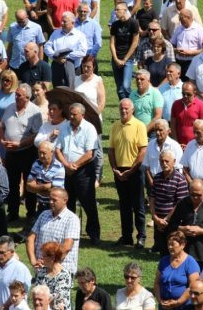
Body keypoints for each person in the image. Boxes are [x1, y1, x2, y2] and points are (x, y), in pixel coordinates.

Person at [55, 103, 100, 243]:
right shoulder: (64, 127)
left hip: (84, 171)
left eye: (74, 114)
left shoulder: (89, 129)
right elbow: (57, 150)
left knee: (88, 202)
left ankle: (94, 234)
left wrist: (74, 165)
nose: (71, 117)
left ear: (83, 115)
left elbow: (90, 153)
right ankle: (70, 232)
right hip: (68, 171)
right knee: (68, 203)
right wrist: (66, 165)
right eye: (70, 114)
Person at [0, 83, 42, 223]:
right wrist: (2, 140)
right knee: (12, 182)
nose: (15, 97)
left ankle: (31, 213)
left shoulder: (35, 112)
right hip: (11, 153)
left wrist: (19, 144)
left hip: (27, 152)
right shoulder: (10, 107)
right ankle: (12, 212)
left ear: (27, 97)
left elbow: (36, 134)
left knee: (29, 184)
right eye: (15, 94)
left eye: (19, 95)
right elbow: (2, 126)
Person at [109, 99, 148, 248]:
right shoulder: (115, 126)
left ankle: (141, 236)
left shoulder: (139, 126)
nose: (123, 111)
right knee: (124, 205)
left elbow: (142, 151)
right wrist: (114, 169)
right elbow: (111, 150)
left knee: (138, 205)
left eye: (126, 108)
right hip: (119, 170)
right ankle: (126, 236)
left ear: (132, 110)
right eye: (121, 108)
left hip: (135, 170)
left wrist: (131, 171)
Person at [168, 179, 203, 270]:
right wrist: (182, 229)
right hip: (185, 251)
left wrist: (201, 231)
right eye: (192, 194)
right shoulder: (183, 203)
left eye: (198, 195)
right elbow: (171, 225)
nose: (195, 197)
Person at [26, 188, 80, 276]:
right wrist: (33, 261)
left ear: (65, 201)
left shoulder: (72, 219)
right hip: (41, 269)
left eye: (54, 200)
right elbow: (30, 239)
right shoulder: (43, 215)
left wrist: (50, 263)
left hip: (62, 271)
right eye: (50, 199)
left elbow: (66, 247)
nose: (51, 202)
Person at [149, 148, 188, 256]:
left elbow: (180, 203)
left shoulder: (180, 179)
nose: (164, 163)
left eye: (167, 161)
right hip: (158, 222)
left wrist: (166, 220)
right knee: (162, 251)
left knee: (174, 251)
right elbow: (152, 199)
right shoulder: (156, 178)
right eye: (162, 161)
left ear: (174, 162)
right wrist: (155, 218)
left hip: (172, 223)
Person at [154, 231, 200, 310]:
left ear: (182, 245)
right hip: (164, 306)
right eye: (168, 244)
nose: (170, 247)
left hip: (183, 307)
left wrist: (177, 302)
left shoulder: (191, 263)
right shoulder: (164, 260)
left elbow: (192, 287)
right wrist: (160, 301)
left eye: (173, 244)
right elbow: (157, 283)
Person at [0, 236, 32, 310]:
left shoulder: (20, 269)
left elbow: (19, 294)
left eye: (2, 252)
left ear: (12, 252)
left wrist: (1, 308)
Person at [44, 11, 87, 88]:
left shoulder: (80, 36)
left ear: (72, 23)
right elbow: (47, 47)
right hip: (57, 66)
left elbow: (82, 51)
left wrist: (66, 57)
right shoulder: (55, 33)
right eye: (62, 21)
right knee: (58, 91)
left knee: (73, 90)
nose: (62, 23)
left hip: (73, 68)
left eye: (65, 22)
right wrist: (55, 57)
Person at [26, 140, 65, 217]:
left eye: (44, 153)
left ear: (52, 152)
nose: (41, 155)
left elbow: (55, 193)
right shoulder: (36, 164)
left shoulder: (58, 167)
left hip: (55, 206)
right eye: (39, 153)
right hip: (41, 204)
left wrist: (36, 189)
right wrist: (45, 186)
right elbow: (28, 187)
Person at [110, 2, 139, 100]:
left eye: (118, 10)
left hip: (128, 59)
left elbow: (134, 44)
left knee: (126, 86)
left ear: (125, 10)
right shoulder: (115, 25)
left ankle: (133, 105)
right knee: (120, 89)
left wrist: (125, 59)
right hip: (116, 58)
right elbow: (112, 44)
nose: (115, 12)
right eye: (115, 10)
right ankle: (124, 109)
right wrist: (116, 59)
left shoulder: (133, 23)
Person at [34, 241, 72, 310]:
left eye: (44, 256)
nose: (42, 259)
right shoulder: (42, 271)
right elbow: (35, 291)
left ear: (52, 258)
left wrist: (41, 297)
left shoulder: (64, 274)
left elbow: (58, 296)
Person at [170, 83, 203, 149]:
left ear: (194, 93)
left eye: (188, 94)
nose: (185, 96)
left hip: (195, 145)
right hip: (179, 145)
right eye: (183, 93)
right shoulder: (176, 104)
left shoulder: (202, 106)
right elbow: (173, 126)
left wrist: (194, 144)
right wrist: (176, 144)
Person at [172, 9, 203, 81]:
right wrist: (176, 50)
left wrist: (190, 53)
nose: (179, 20)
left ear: (188, 17)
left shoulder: (199, 30)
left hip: (192, 63)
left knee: (190, 84)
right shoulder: (179, 29)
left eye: (181, 17)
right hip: (178, 62)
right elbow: (172, 44)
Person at [0, 70, 17, 161]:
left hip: (13, 126)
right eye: (3, 80)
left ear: (13, 81)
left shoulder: (16, 94)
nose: (5, 82)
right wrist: (0, 126)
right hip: (0, 126)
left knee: (12, 156)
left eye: (7, 80)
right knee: (0, 156)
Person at [74, 2, 103, 71]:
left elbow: (98, 43)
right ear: (77, 11)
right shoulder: (72, 24)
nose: (83, 13)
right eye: (81, 11)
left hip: (90, 55)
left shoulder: (94, 24)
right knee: (76, 79)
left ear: (88, 12)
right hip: (75, 56)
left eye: (85, 11)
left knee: (91, 79)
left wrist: (90, 56)